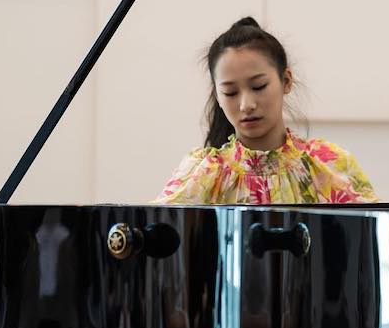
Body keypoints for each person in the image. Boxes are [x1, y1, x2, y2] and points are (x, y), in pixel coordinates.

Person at [155, 18, 377, 204]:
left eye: (259, 86)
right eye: (231, 92)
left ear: (286, 81)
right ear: (217, 97)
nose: (246, 104)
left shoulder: (330, 164)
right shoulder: (200, 173)